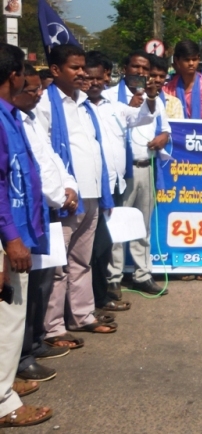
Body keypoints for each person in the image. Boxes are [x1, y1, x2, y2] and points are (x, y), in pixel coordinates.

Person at [35, 44, 117, 340]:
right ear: (56, 70)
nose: (82, 73)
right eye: (75, 67)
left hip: (92, 193)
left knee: (82, 260)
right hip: (66, 198)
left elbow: (93, 147)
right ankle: (53, 327)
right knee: (58, 265)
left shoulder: (84, 102)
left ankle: (82, 316)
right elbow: (42, 151)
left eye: (83, 67)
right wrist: (60, 190)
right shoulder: (45, 104)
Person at [0, 43, 54, 430]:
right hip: (8, 235)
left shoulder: (11, 115)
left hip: (17, 227)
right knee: (9, 319)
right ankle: (4, 402)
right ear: (14, 75)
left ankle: (3, 383)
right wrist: (12, 238)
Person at [13, 63, 78, 383]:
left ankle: (35, 343)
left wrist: (69, 187)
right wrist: (58, 195)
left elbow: (53, 160)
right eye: (32, 89)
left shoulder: (31, 119)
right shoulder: (13, 122)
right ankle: (22, 356)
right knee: (23, 290)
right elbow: (31, 170)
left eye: (40, 88)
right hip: (28, 213)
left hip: (47, 211)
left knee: (42, 283)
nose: (39, 94)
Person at [102, 51, 171, 298]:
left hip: (146, 166)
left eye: (145, 68)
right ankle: (113, 278)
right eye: (135, 67)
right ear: (125, 68)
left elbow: (166, 130)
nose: (140, 72)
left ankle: (143, 274)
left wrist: (163, 137)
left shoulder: (155, 98)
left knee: (143, 226)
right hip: (122, 171)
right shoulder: (109, 97)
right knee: (117, 225)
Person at [164, 40, 202, 120]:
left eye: (194, 59)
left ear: (199, 59)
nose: (191, 63)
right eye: (187, 60)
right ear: (177, 60)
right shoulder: (167, 90)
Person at [149, 55, 184, 120]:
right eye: (153, 75)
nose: (158, 80)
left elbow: (176, 126)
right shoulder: (138, 99)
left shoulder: (174, 103)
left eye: (162, 76)